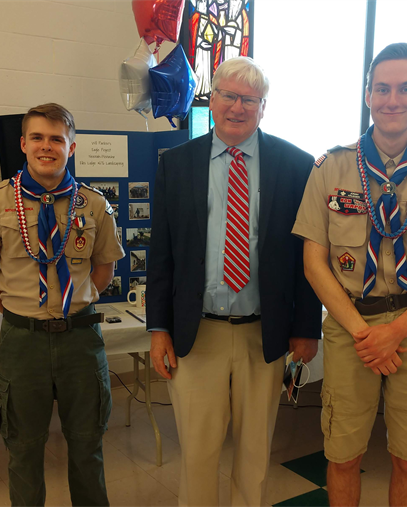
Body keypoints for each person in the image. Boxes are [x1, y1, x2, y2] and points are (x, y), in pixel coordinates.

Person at [293, 43, 407, 507]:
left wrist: (395, 331)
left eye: (405, 88)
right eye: (382, 88)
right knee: (341, 454)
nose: (392, 99)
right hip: (349, 325)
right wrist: (364, 332)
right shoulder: (330, 167)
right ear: (367, 95)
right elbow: (313, 263)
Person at [147, 56, 323, 507]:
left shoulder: (296, 164)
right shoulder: (177, 164)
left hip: (263, 335)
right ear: (213, 99)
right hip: (196, 332)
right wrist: (158, 329)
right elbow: (161, 254)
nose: (238, 107)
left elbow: (308, 254)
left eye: (250, 99)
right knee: (199, 453)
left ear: (263, 107)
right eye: (228, 95)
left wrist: (307, 329)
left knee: (254, 452)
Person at [0, 103, 125, 507]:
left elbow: (102, 270)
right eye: (37, 137)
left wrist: (74, 305)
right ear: (23, 144)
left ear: (71, 147)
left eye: (56, 139)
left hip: (81, 341)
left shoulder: (94, 205)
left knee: (88, 448)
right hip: (23, 342)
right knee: (23, 450)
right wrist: (17, 313)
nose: (46, 146)